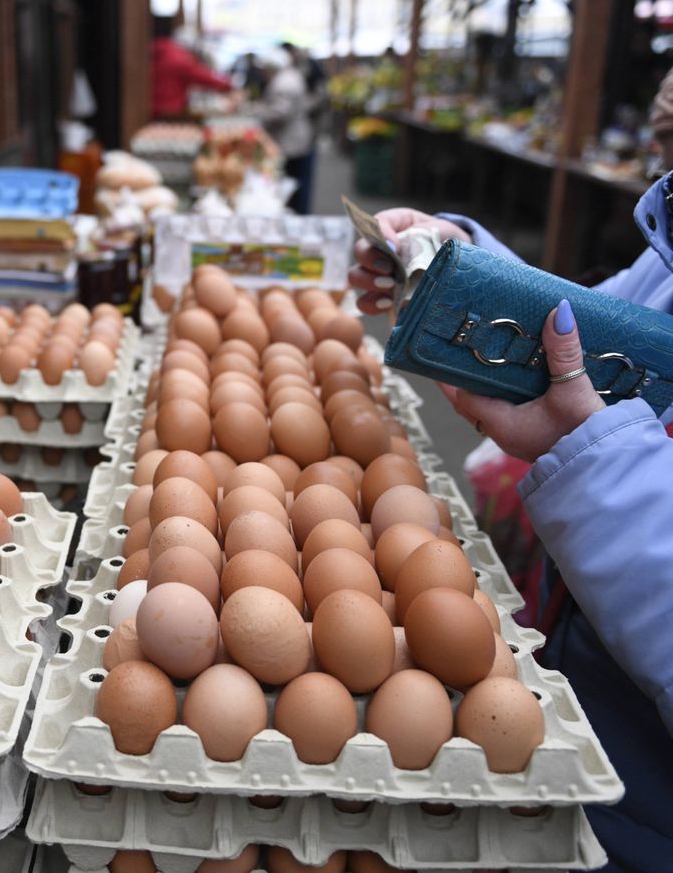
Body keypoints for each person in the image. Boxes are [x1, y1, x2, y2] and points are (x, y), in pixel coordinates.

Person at [348, 104, 673, 865]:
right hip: (590, 692)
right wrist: (472, 275)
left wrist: (590, 453)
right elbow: (607, 331)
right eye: (661, 134)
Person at [254, 46, 317, 214]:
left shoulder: (284, 83)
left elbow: (280, 113)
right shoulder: (290, 76)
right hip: (294, 137)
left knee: (293, 182)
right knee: (296, 181)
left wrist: (257, 112)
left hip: (290, 140)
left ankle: (296, 215)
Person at [150, 16, 234, 120]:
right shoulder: (179, 58)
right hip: (170, 109)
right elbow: (204, 77)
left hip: (154, 107)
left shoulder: (161, 51)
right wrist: (228, 85)